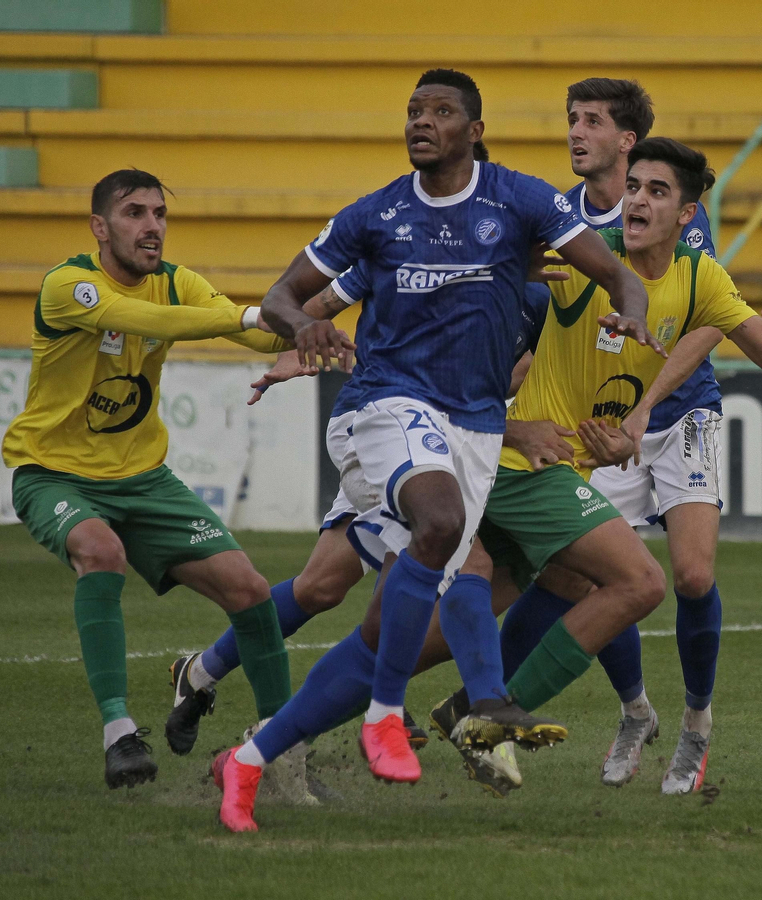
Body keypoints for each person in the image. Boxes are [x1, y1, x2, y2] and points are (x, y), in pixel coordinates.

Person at [210, 68, 658, 832]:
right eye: (415, 110)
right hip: (381, 407)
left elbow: (617, 272)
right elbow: (286, 297)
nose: (423, 121)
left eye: (442, 111)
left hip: (473, 433)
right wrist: (301, 330)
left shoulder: (517, 201)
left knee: (388, 630)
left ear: (473, 131)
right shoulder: (377, 213)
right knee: (448, 529)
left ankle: (249, 761)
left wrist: (629, 312)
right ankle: (401, 712)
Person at [409, 137, 762, 796]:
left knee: (668, 575)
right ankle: (506, 714)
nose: (637, 200)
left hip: (639, 430)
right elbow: (503, 307)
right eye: (635, 188)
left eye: (656, 191)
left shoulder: (695, 272)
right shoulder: (580, 255)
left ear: (687, 214)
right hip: (553, 451)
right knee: (617, 581)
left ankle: (692, 727)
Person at [1, 168, 308, 790]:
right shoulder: (69, 286)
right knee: (100, 550)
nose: (151, 227)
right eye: (134, 212)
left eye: (159, 214)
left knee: (250, 590)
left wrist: (317, 321)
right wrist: (250, 313)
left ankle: (281, 750)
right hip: (54, 475)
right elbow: (159, 322)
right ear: (100, 226)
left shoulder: (177, 282)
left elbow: (249, 332)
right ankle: (118, 734)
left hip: (144, 480)